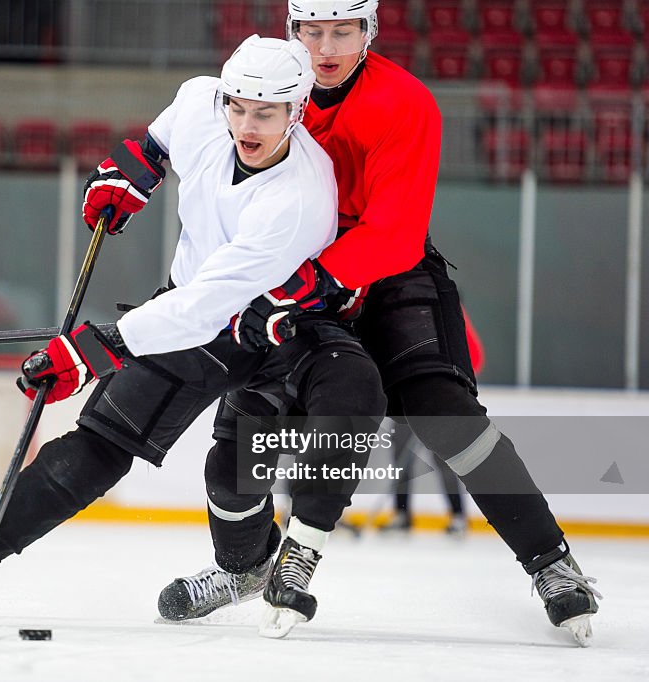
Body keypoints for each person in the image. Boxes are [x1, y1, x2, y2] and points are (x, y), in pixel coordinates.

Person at [0, 35, 387, 628]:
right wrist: (131, 174)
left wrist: (96, 348)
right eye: (237, 107)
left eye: (266, 113)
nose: (246, 125)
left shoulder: (300, 197)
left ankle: (301, 551)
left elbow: (209, 304)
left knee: (352, 391)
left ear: (297, 110)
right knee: (97, 446)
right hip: (196, 310)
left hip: (283, 323)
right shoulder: (201, 103)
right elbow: (158, 141)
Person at [155, 1, 600, 645]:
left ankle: (553, 563)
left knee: (444, 412)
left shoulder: (404, 101)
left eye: (344, 31)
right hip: (290, 269)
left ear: (370, 32)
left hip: (383, 270)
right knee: (245, 422)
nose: (327, 47)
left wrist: (306, 284)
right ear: (291, 33)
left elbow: (395, 230)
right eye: (312, 31)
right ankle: (244, 566)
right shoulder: (260, 95)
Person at [380, 311, 483, 534]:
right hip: (406, 401)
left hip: (439, 403)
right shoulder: (403, 315)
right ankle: (401, 513)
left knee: (444, 459)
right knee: (400, 457)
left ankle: (457, 515)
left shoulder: (452, 317)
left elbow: (474, 357)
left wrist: (452, 386)